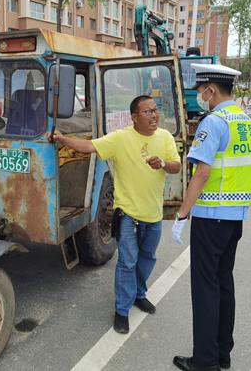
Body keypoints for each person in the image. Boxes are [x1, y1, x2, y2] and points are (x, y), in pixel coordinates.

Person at [48, 95, 181, 334]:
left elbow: (176, 165)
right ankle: (122, 310)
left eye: (155, 110)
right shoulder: (121, 138)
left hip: (154, 214)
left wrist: (162, 163)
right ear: (134, 117)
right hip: (128, 214)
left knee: (147, 258)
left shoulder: (165, 137)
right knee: (127, 262)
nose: (154, 115)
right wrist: (61, 139)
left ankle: (139, 294)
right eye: (148, 111)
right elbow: (89, 146)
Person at [171, 64, 251, 371]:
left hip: (211, 216)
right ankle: (222, 353)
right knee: (223, 282)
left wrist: (182, 214)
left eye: (200, 90)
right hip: (235, 216)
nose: (199, 95)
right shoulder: (245, 120)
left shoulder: (214, 122)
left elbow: (201, 172)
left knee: (205, 287)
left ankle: (205, 361)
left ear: (210, 90)